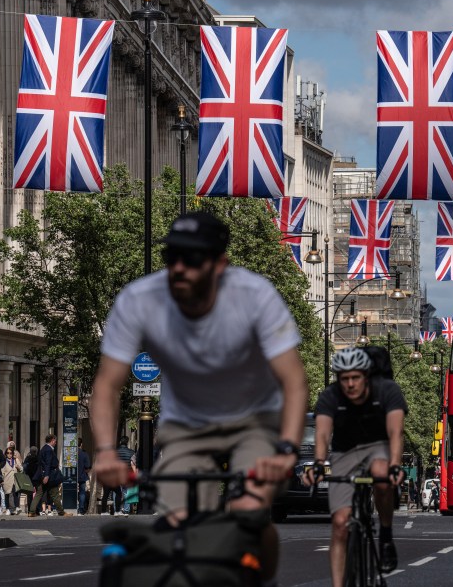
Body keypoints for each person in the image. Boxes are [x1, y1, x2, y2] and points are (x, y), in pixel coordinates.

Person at [91, 211, 308, 586]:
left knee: (247, 513)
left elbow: (293, 381)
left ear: (219, 265)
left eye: (191, 259)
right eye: (171, 256)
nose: (178, 268)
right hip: (187, 424)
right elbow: (107, 385)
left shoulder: (254, 295)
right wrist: (107, 451)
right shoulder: (141, 300)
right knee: (178, 523)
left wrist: (287, 449)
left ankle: (262, 574)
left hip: (254, 419)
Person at [303, 347, 407, 587]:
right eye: (344, 379)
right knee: (340, 523)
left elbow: (395, 432)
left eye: (355, 378)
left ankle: (386, 534)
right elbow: (322, 433)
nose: (350, 384)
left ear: (367, 376)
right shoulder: (331, 396)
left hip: (378, 444)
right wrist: (319, 464)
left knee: (382, 476)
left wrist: (394, 465)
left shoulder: (387, 390)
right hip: (345, 451)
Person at [30, 434, 66, 517]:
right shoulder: (48, 450)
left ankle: (31, 511)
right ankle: (61, 512)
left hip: (43, 475)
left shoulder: (43, 449)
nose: (56, 443)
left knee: (39, 493)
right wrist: (47, 476)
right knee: (55, 493)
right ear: (52, 440)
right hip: (49, 476)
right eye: (55, 441)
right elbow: (48, 463)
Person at [0, 444, 23, 515]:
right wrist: (2, 480)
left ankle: (16, 508)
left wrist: (18, 467)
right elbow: (2, 472)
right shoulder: (4, 461)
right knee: (7, 495)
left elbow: (22, 470)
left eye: (11, 453)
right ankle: (7, 509)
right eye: (8, 453)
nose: (9, 454)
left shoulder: (15, 460)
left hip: (15, 480)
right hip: (6, 480)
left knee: (15, 494)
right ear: (6, 454)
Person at [23, 445, 40, 514]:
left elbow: (25, 468)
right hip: (36, 478)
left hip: (29, 478)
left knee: (29, 495)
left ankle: (30, 509)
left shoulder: (27, 458)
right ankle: (37, 509)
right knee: (38, 494)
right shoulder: (38, 458)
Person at [76, 438, 92, 515]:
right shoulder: (84, 454)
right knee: (82, 492)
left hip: (72, 476)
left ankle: (73, 507)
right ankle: (81, 509)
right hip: (82, 475)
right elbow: (88, 466)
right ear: (81, 444)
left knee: (73, 491)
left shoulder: (72, 454)